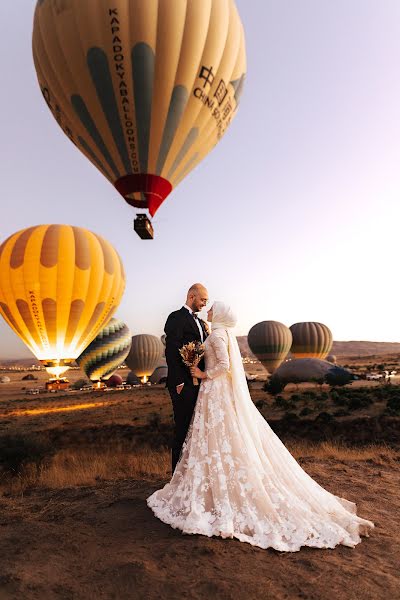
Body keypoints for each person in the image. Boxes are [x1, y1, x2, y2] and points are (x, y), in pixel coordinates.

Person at [148, 301, 374, 552]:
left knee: (216, 433)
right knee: (216, 435)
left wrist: (202, 375)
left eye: (212, 309)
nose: (209, 311)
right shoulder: (220, 334)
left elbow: (223, 366)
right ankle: (215, 480)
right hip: (213, 393)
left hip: (214, 389)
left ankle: (217, 486)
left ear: (221, 315)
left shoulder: (219, 336)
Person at [164, 283, 209, 472]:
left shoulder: (201, 323)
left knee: (197, 430)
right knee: (182, 430)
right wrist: (179, 382)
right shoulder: (176, 318)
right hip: (183, 384)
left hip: (201, 383)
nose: (204, 304)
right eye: (202, 300)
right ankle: (176, 476)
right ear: (192, 297)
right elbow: (172, 352)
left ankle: (193, 474)